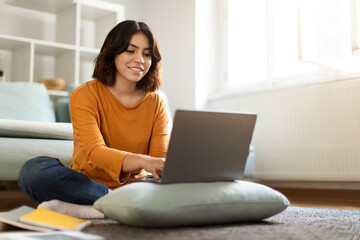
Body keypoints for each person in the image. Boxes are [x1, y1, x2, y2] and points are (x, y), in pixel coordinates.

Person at [18, 20, 171, 219]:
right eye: (131, 51)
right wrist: (144, 161)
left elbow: (159, 161)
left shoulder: (156, 102)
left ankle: (93, 209)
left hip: (135, 187)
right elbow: (95, 153)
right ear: (113, 52)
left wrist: (161, 168)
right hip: (88, 183)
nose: (140, 59)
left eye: (147, 54)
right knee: (33, 171)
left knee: (175, 185)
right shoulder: (85, 94)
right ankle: (113, 202)